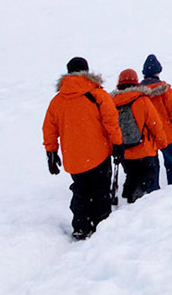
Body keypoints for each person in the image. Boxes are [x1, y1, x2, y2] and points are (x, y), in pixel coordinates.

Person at [42, 56, 123, 240]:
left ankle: (81, 225)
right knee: (100, 190)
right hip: (99, 153)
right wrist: (117, 144)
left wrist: (51, 153)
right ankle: (102, 226)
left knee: (81, 191)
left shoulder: (57, 101)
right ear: (87, 71)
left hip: (73, 158)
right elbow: (111, 123)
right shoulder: (98, 95)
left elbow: (49, 129)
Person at [112, 68, 172, 201]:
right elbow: (155, 124)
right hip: (144, 150)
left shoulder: (111, 103)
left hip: (124, 151)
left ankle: (131, 199)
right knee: (147, 181)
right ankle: (141, 201)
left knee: (132, 175)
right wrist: (162, 142)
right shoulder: (142, 100)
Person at [138, 54, 172, 185]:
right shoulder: (165, 90)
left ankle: (153, 190)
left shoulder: (138, 93)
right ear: (158, 71)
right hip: (166, 134)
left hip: (148, 135)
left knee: (152, 165)